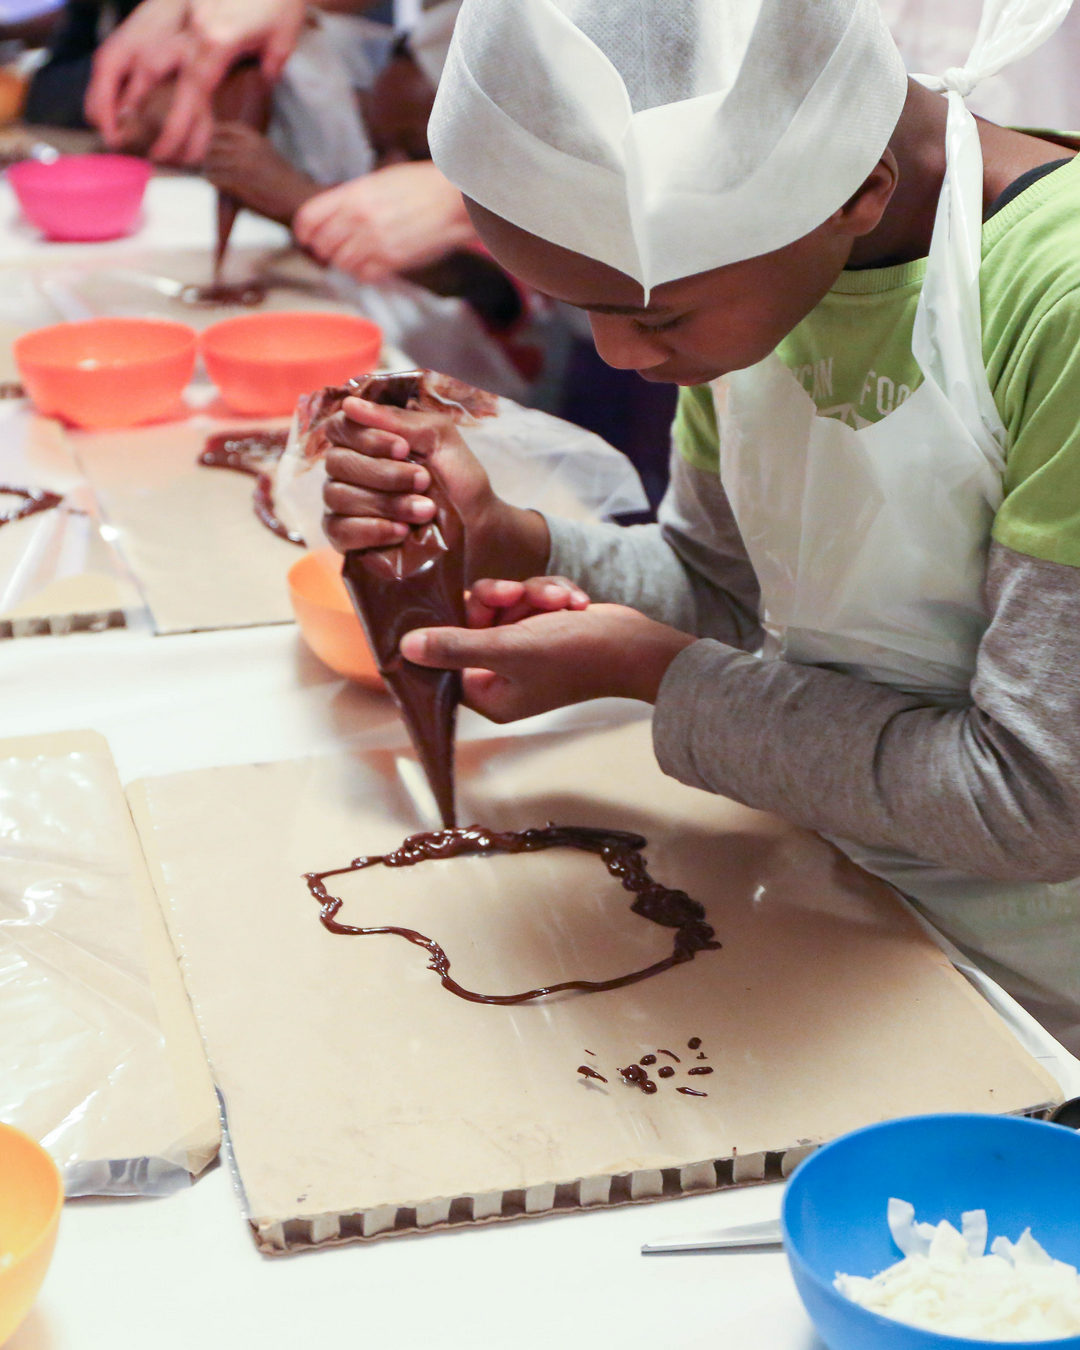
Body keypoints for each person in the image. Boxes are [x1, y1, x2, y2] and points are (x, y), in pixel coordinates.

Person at [318, 0, 1080, 1052]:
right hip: (855, 907)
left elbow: (1033, 802)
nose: (621, 355)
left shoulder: (1056, 301)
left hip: (1033, 1002)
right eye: (580, 304)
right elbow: (732, 591)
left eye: (657, 315)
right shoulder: (756, 240)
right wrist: (511, 538)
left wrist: (659, 678)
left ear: (857, 191)